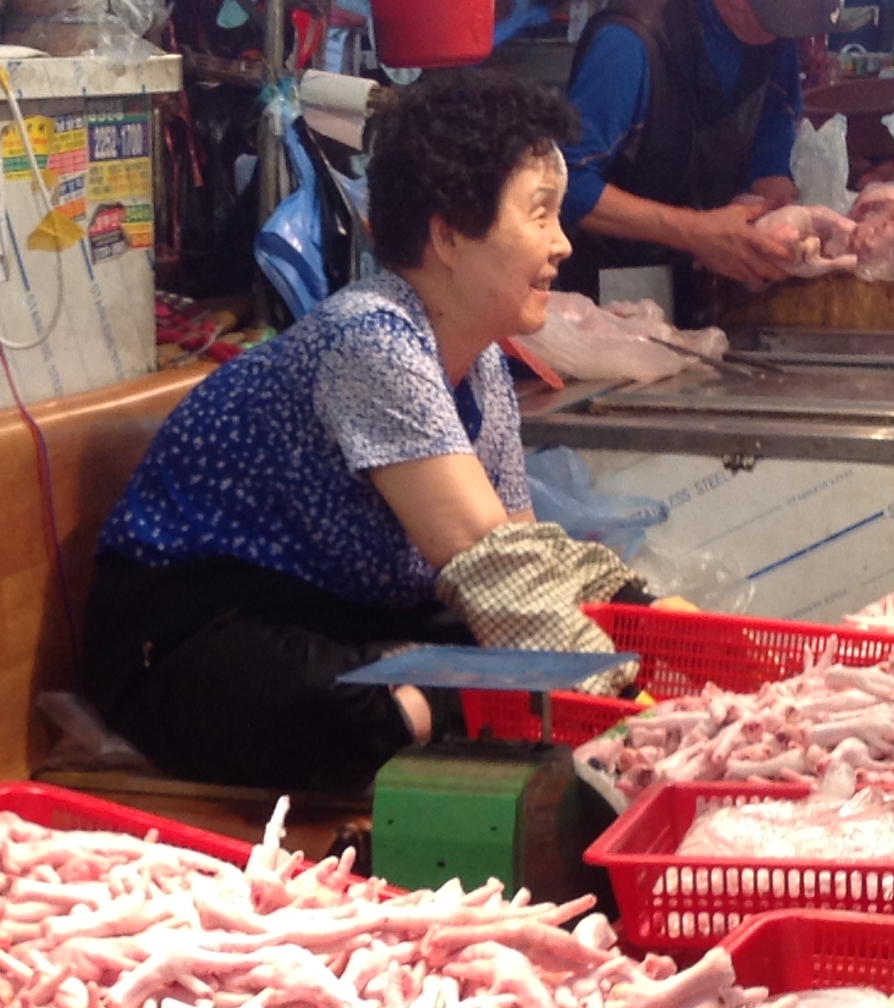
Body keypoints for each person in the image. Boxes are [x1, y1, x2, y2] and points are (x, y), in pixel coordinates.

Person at [83, 70, 649, 794]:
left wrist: (642, 612)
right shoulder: (371, 338)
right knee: (340, 709)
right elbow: (490, 563)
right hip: (193, 634)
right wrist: (634, 717)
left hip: (339, 620)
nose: (563, 244)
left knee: (505, 651)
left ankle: (442, 701)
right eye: (540, 215)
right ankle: (441, 704)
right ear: (448, 233)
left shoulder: (480, 366)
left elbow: (523, 555)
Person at [557, 0, 843, 308]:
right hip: (612, 287)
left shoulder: (774, 38)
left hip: (709, 286)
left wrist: (776, 222)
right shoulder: (627, 43)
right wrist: (694, 231)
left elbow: (771, 136)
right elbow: (564, 182)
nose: (783, 37)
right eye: (777, 20)